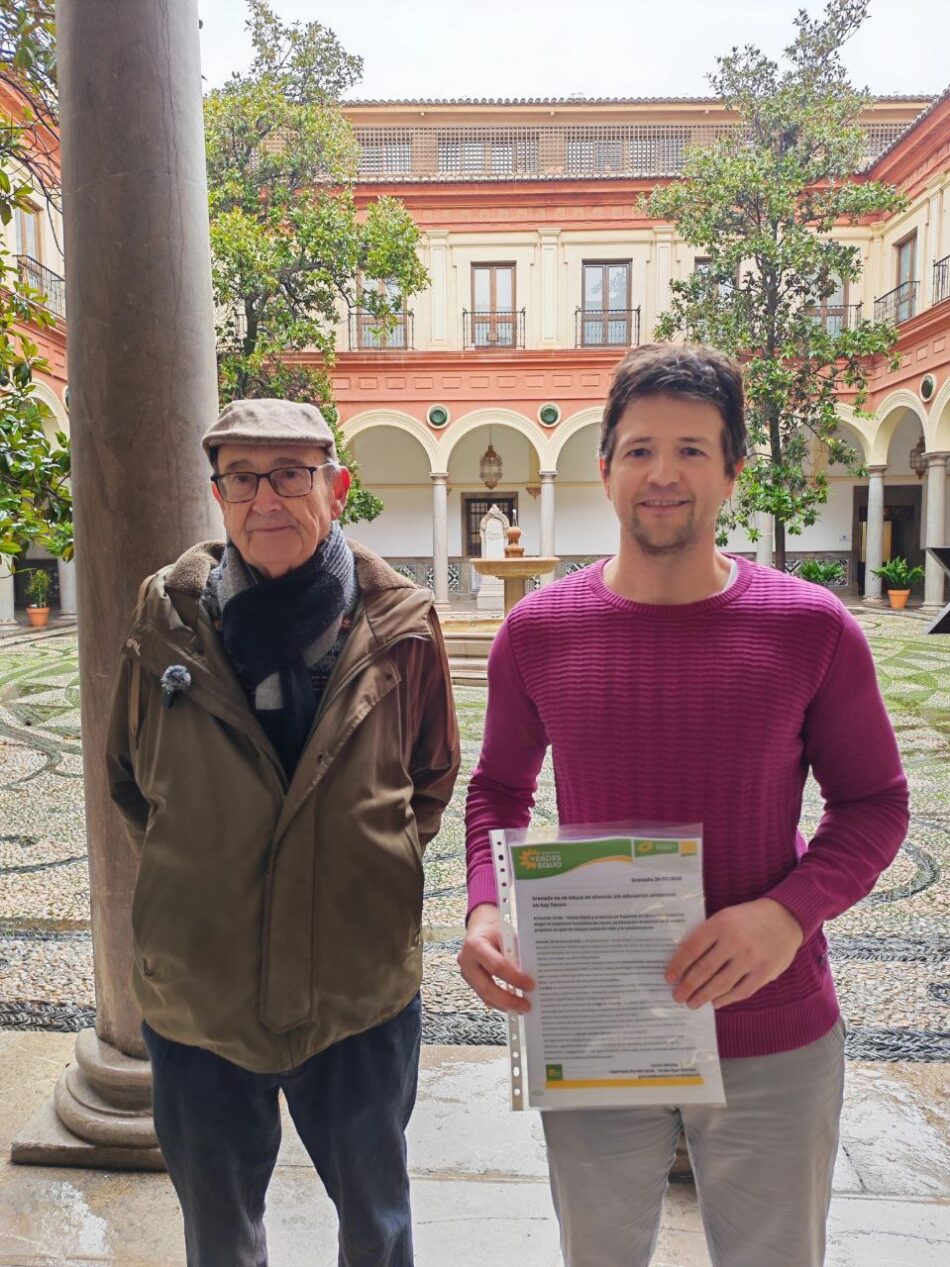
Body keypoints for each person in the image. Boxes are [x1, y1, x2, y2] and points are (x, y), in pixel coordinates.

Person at [458, 343, 909, 1267]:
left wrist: (788, 914)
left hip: (773, 1024)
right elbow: (499, 789)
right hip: (595, 1019)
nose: (664, 474)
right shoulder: (536, 631)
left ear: (733, 471)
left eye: (693, 450)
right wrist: (487, 903)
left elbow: (874, 803)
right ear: (605, 467)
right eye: (639, 449)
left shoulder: (810, 627)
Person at [107, 398, 460, 1267]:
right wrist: (209, 866)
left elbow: (430, 777)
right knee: (219, 1233)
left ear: (336, 488)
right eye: (242, 477)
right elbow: (128, 776)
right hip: (202, 990)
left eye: (291, 475)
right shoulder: (165, 621)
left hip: (359, 987)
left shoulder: (400, 624)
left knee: (376, 1224)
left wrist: (361, 867)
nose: (266, 498)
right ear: (218, 494)